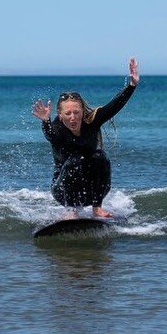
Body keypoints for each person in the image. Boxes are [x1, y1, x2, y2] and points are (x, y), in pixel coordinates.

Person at [32, 57, 139, 218]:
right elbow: (50, 136)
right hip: (62, 190)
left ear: (82, 111)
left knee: (99, 156)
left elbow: (114, 106)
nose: (73, 117)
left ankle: (97, 208)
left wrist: (131, 86)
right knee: (76, 159)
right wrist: (46, 121)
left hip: (89, 191)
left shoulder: (92, 121)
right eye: (68, 113)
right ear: (60, 116)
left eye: (76, 112)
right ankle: (71, 211)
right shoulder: (57, 129)